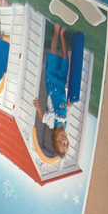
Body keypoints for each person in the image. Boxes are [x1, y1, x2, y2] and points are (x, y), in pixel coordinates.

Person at [33, 22, 72, 158]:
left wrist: (39, 108)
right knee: (65, 60)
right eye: (65, 143)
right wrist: (68, 105)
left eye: (60, 142)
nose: (63, 140)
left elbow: (42, 118)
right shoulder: (64, 123)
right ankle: (62, 35)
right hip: (61, 84)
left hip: (52, 82)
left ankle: (56, 31)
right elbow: (64, 108)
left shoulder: (52, 123)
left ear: (55, 138)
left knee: (53, 54)